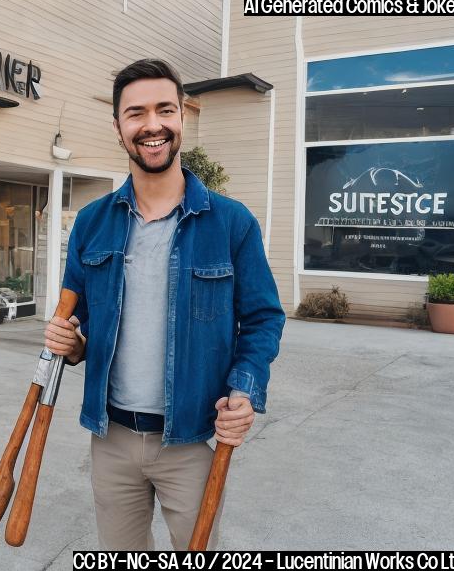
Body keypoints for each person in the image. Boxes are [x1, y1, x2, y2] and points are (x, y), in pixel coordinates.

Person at [44, 59, 285, 550]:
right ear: (118, 127)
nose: (151, 125)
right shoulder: (91, 222)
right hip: (110, 438)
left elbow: (263, 319)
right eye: (136, 114)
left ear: (182, 119)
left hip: (191, 441)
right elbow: (81, 325)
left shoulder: (231, 223)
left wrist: (244, 388)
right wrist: (70, 344)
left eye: (164, 110)